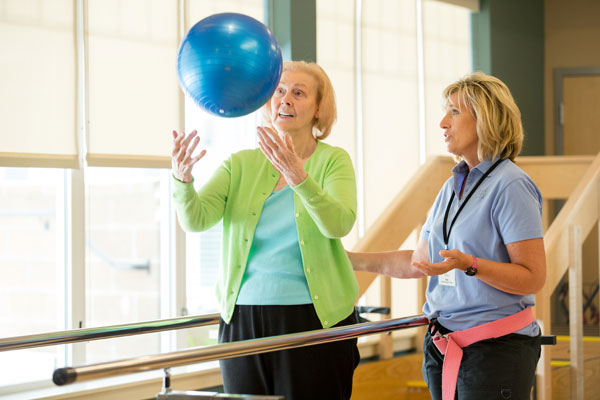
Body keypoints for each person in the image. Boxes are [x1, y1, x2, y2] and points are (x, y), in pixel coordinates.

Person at [348, 72, 546, 400]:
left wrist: (469, 264)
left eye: (454, 112)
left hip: (495, 350)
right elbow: (421, 262)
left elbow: (532, 277)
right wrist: (350, 260)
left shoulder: (511, 185)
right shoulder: (452, 186)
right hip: (443, 345)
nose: (443, 122)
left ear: (486, 118)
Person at [171, 61, 360, 400]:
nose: (285, 99)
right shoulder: (240, 164)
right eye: (279, 92)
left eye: (298, 93)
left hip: (315, 318)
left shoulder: (334, 161)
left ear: (319, 109)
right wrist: (182, 179)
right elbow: (196, 219)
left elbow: (339, 223)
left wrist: (299, 177)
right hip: (244, 317)